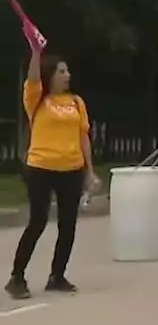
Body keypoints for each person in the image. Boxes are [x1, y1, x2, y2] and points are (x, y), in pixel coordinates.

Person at [6, 50, 99, 299]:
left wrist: (89, 171)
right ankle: (17, 277)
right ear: (50, 75)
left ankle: (57, 276)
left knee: (68, 225)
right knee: (38, 221)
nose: (67, 76)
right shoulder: (37, 98)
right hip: (41, 167)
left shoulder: (76, 102)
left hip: (71, 169)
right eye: (61, 71)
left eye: (67, 71)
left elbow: (83, 137)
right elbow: (33, 76)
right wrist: (36, 52)